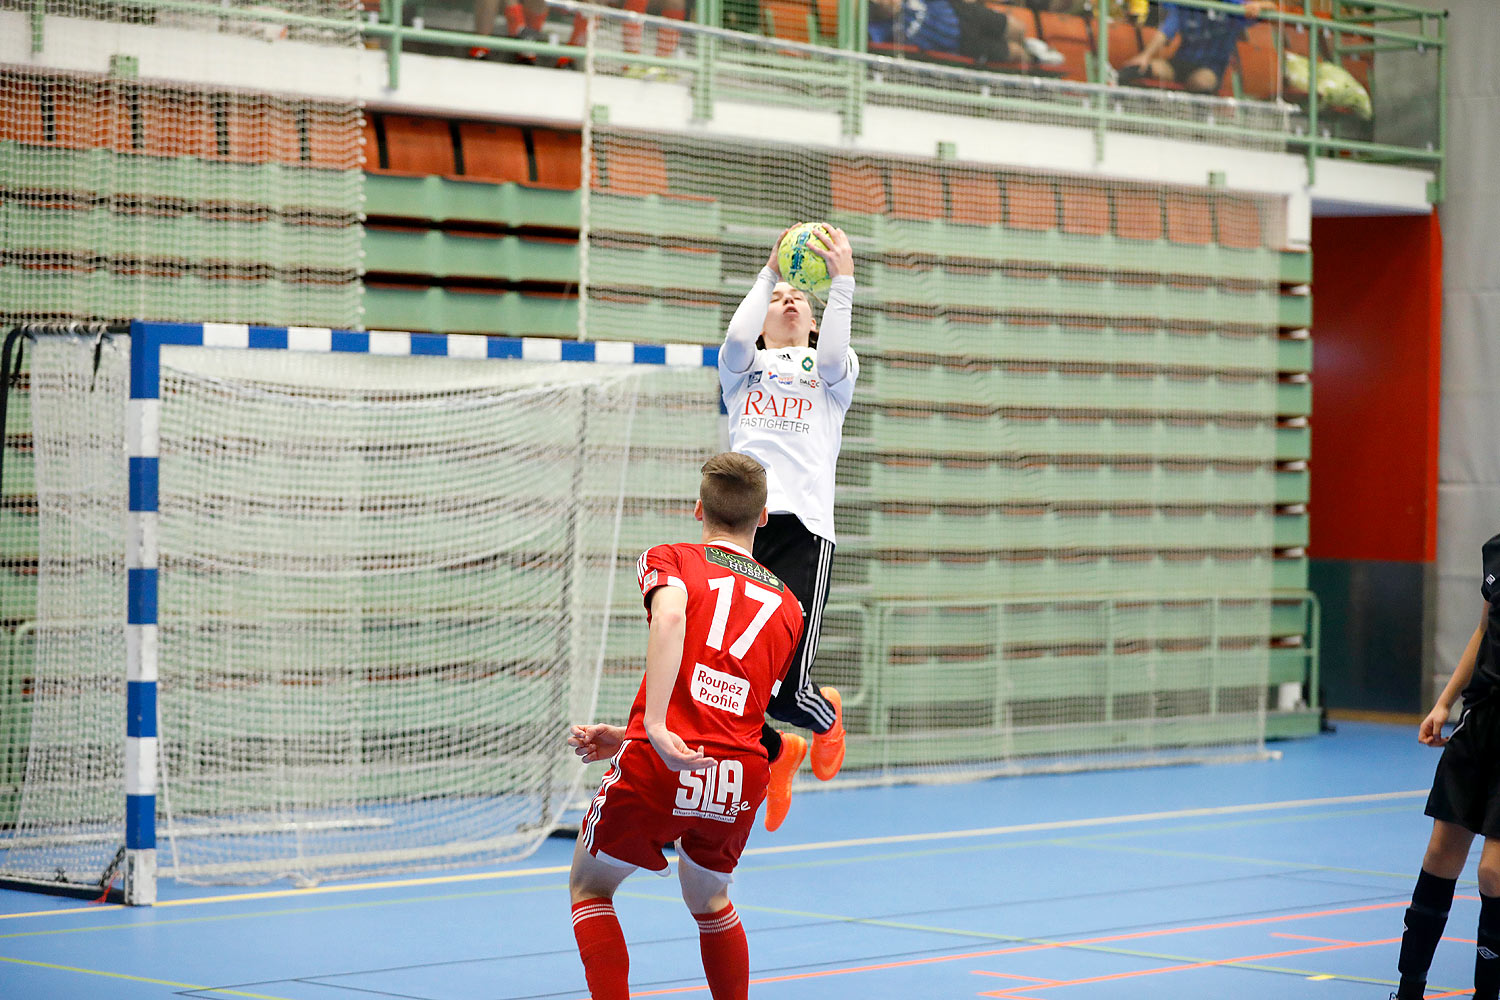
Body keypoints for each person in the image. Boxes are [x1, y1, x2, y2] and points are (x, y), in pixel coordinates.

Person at [566, 452, 804, 1000]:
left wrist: (649, 727)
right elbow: (739, 705)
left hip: (662, 758)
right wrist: (629, 736)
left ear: (698, 508)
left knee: (590, 887)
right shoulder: (789, 606)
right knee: (709, 899)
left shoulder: (671, 557)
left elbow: (672, 616)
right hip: (739, 771)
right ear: (763, 518)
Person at [718, 224, 855, 832]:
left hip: (802, 532)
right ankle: (779, 753)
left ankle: (824, 719)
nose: (789, 302)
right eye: (778, 300)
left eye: (801, 298)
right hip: (743, 534)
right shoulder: (742, 372)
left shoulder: (833, 374)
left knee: (786, 691)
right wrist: (769, 273)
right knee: (731, 679)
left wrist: (843, 282)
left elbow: (829, 353)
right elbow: (733, 339)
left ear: (818, 319)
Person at [1392, 533, 1500, 1000]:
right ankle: (1408, 989)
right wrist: (1444, 702)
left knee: (1493, 873)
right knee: (1439, 857)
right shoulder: (1496, 551)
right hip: (1481, 723)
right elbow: (1484, 630)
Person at [1118, 0, 1267, 94]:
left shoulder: (1233, 6)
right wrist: (1145, 56)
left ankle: (1194, 124)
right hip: (1181, 62)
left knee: (1201, 82)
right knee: (1143, 68)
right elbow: (1165, 32)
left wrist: (1260, 5)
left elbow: (1269, 8)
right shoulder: (1186, 5)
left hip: (1210, 68)